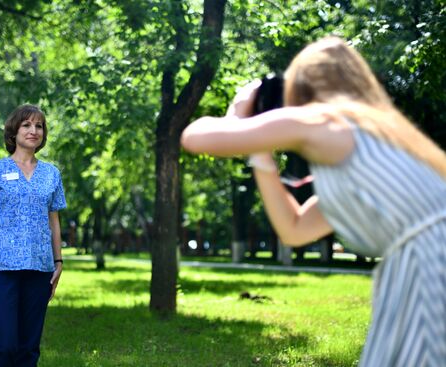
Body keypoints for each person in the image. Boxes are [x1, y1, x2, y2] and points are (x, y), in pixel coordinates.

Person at [181, 36, 446, 366]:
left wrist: (243, 103)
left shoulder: (325, 119)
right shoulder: (382, 146)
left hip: (429, 276)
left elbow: (195, 136)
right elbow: (294, 229)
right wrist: (261, 152)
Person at [0, 104, 67, 366]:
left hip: (39, 269)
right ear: (14, 131)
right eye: (26, 125)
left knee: (28, 349)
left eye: (39, 126)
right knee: (4, 347)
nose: (33, 131)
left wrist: (58, 262)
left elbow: (54, 221)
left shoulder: (52, 174)